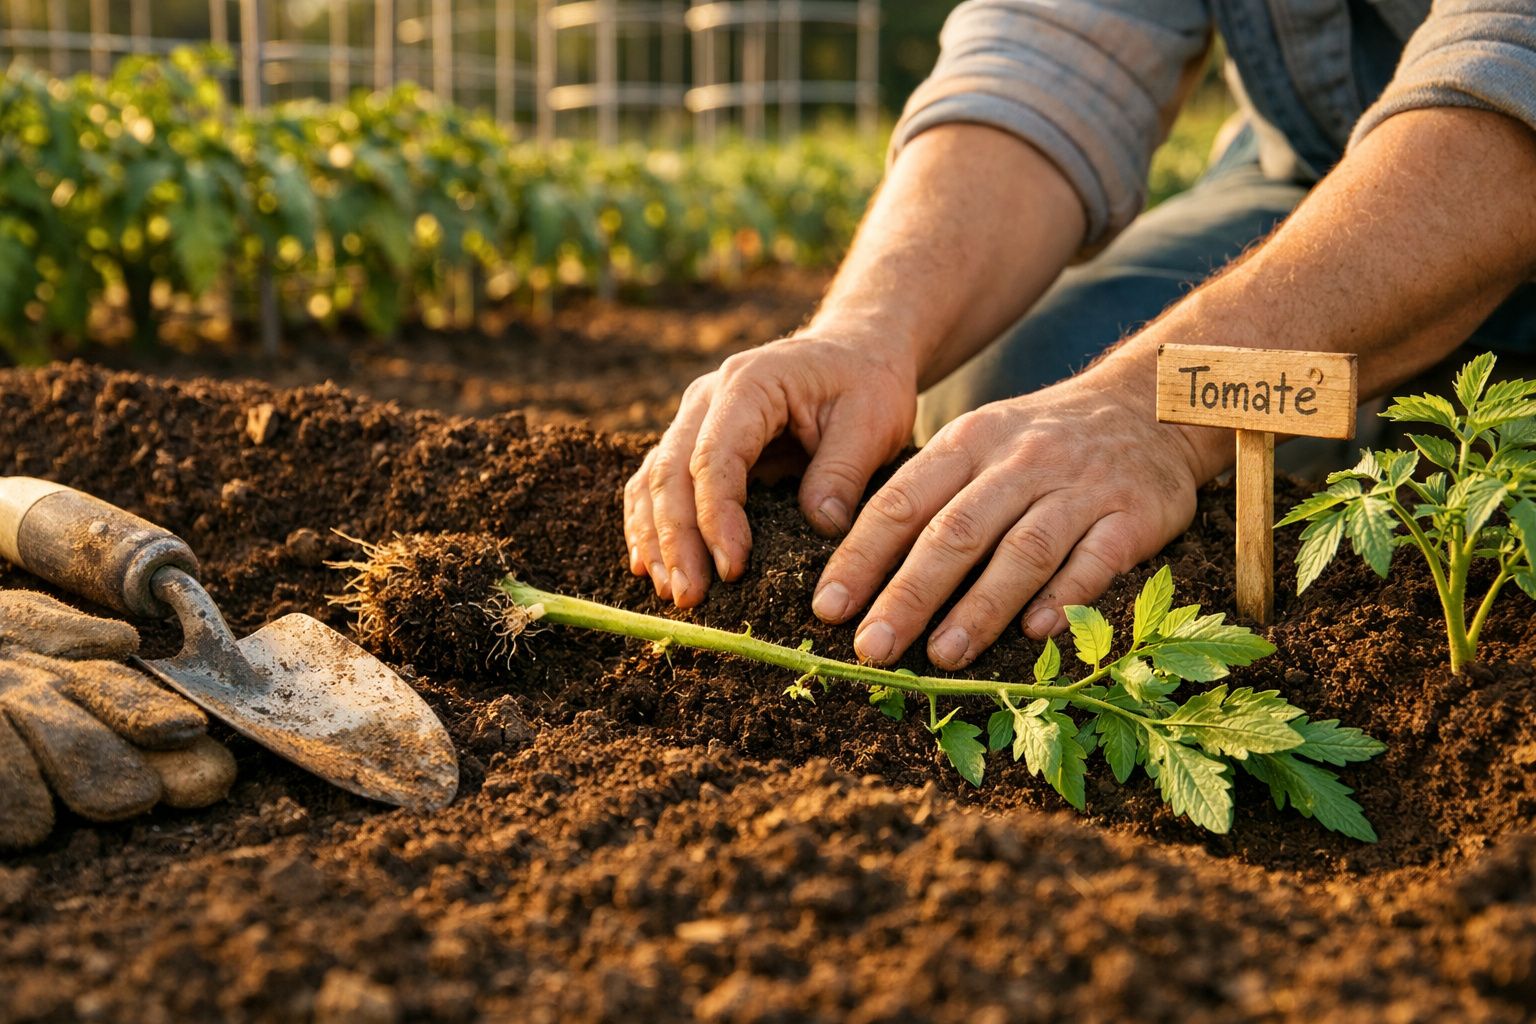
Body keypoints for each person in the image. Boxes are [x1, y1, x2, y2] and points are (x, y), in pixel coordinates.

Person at [624, 0, 1536, 671]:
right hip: (1314, 168)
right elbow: (1054, 43)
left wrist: (1149, 410)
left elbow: (1516, 64)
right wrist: (867, 333)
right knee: (1006, 405)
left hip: (1500, 146)